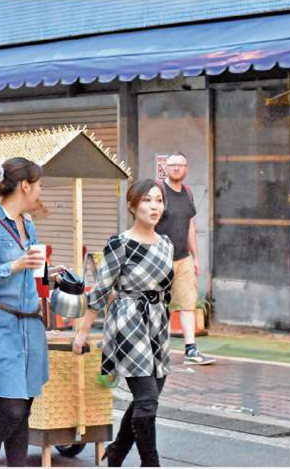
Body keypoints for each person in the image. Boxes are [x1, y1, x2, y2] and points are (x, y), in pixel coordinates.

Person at [0, 157, 65, 467]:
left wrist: (48, 274)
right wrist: (14, 265)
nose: (40, 191)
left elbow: (29, 275)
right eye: (38, 185)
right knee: (11, 409)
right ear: (24, 186)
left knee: (24, 407)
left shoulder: (28, 223)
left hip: (28, 325)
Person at [73, 179, 174, 467]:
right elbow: (101, 290)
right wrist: (83, 333)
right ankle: (150, 463)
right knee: (147, 400)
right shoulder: (119, 244)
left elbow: (166, 289)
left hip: (157, 323)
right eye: (147, 200)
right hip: (128, 321)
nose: (154, 206)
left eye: (159, 200)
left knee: (147, 398)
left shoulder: (166, 244)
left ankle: (116, 452)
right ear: (132, 205)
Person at [155, 153, 216, 365]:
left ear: (186, 168)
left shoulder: (188, 193)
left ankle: (191, 349)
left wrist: (196, 258)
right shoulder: (158, 191)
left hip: (183, 258)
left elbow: (190, 226)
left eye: (180, 165)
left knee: (188, 303)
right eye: (172, 165)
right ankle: (157, 347)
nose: (176, 168)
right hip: (159, 259)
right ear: (165, 167)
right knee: (158, 304)